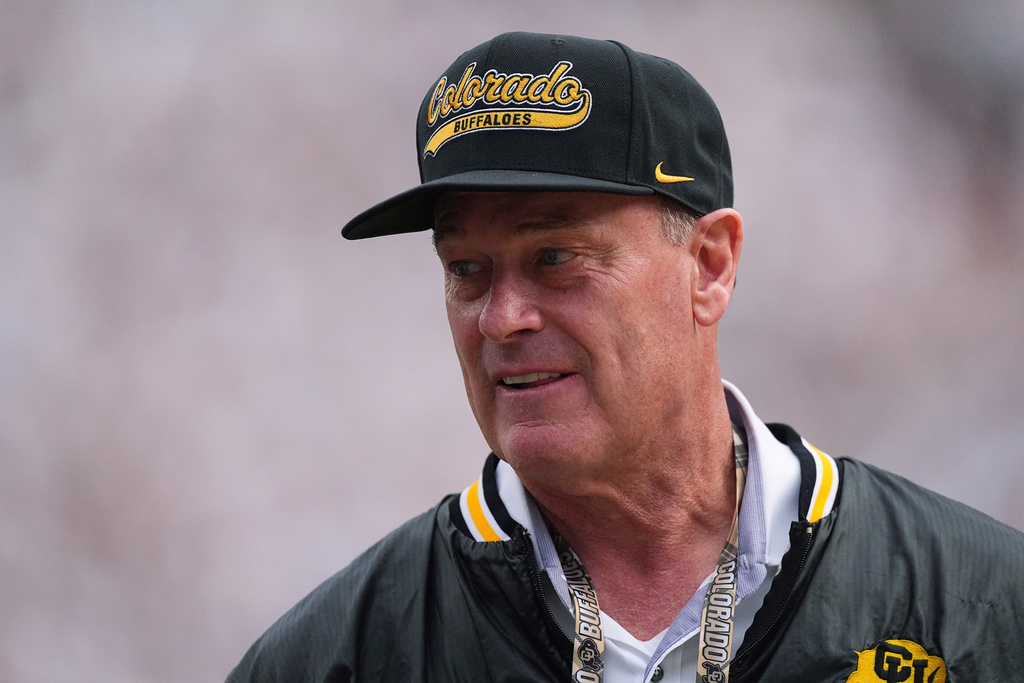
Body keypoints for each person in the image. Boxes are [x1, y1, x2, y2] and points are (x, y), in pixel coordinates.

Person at [226, 32, 1024, 682]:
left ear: (709, 265)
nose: (501, 318)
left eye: (556, 257)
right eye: (466, 269)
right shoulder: (337, 657)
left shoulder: (981, 606)